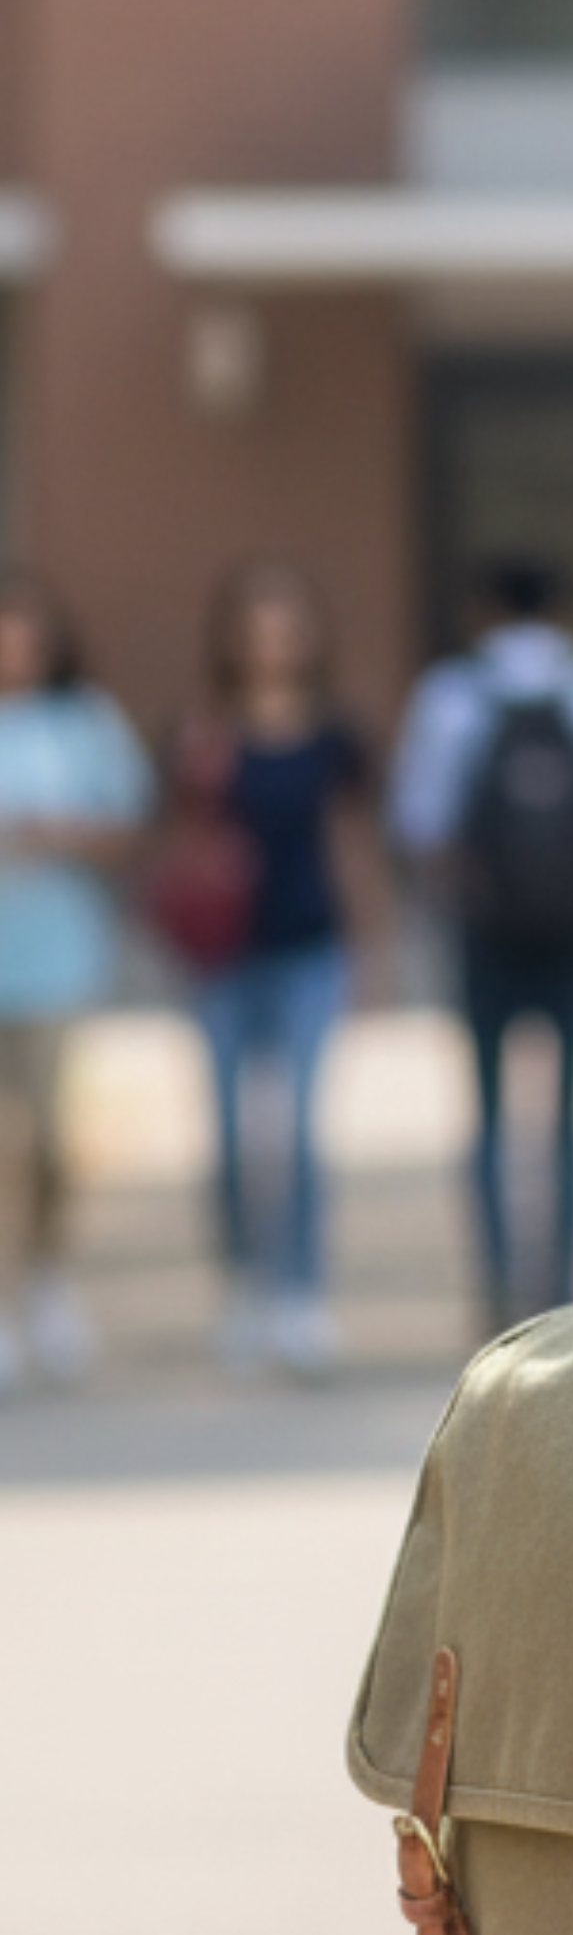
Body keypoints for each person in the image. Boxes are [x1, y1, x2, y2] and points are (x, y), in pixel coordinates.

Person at [387, 561, 573, 1325]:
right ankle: (562, 1284)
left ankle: (496, 1287)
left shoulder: (451, 696)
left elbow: (421, 827)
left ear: (483, 611)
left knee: (491, 1112)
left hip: (486, 933)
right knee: (568, 1111)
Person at [160, 559, 370, 1377]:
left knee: (304, 1131)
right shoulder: (201, 729)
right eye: (257, 626)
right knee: (227, 1130)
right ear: (232, 637)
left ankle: (302, 1295)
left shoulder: (335, 732)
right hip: (222, 956)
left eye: (286, 625)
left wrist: (372, 946)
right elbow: (174, 838)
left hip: (310, 946)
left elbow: (353, 842)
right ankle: (243, 1288)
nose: (272, 641)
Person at [0, 568, 151, 1391]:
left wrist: (63, 832)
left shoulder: (84, 722)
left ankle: (49, 1278)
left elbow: (130, 828)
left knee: (49, 1136)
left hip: (57, 962)